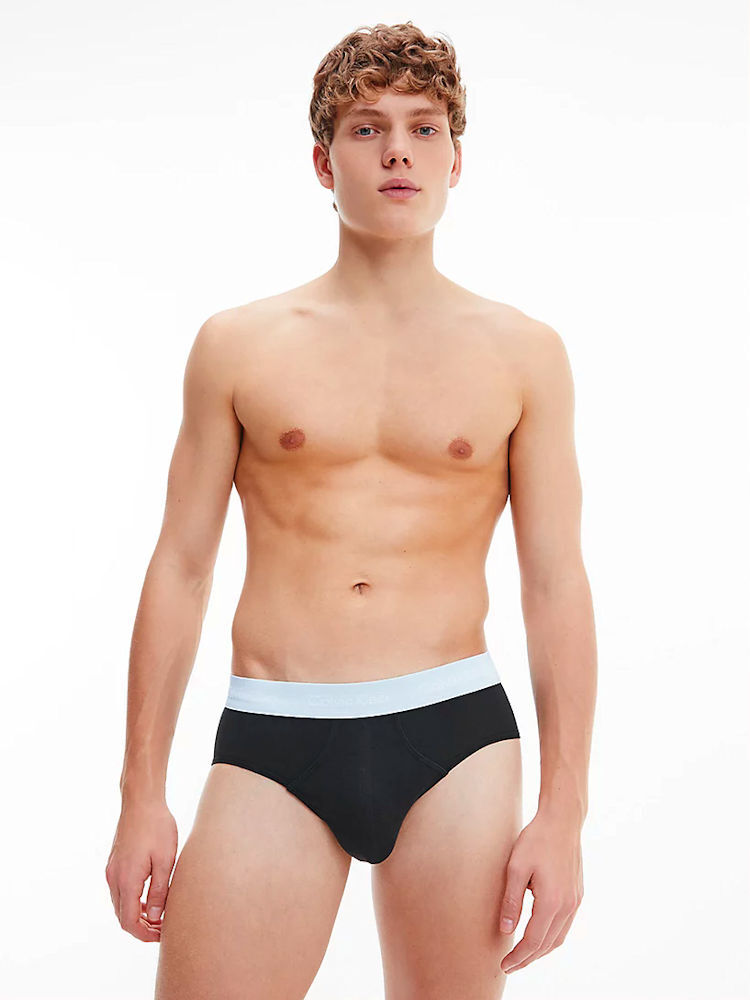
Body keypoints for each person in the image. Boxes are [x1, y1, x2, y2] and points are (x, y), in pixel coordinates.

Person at [106, 20, 597, 1000]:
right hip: (275, 729)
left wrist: (565, 814)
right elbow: (182, 566)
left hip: (454, 734)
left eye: (423, 128)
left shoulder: (524, 353)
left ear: (457, 159)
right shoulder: (238, 345)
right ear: (324, 163)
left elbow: (553, 583)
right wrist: (140, 795)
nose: (398, 151)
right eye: (368, 129)